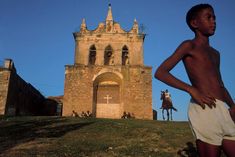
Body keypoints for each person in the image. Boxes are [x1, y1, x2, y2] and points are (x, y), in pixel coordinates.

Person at [155, 4, 235, 157]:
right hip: (204, 107)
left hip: (224, 110)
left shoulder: (215, 53)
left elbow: (220, 84)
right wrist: (191, 89)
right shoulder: (189, 45)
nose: (214, 21)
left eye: (215, 18)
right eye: (208, 17)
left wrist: (232, 105)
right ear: (195, 23)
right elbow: (161, 72)